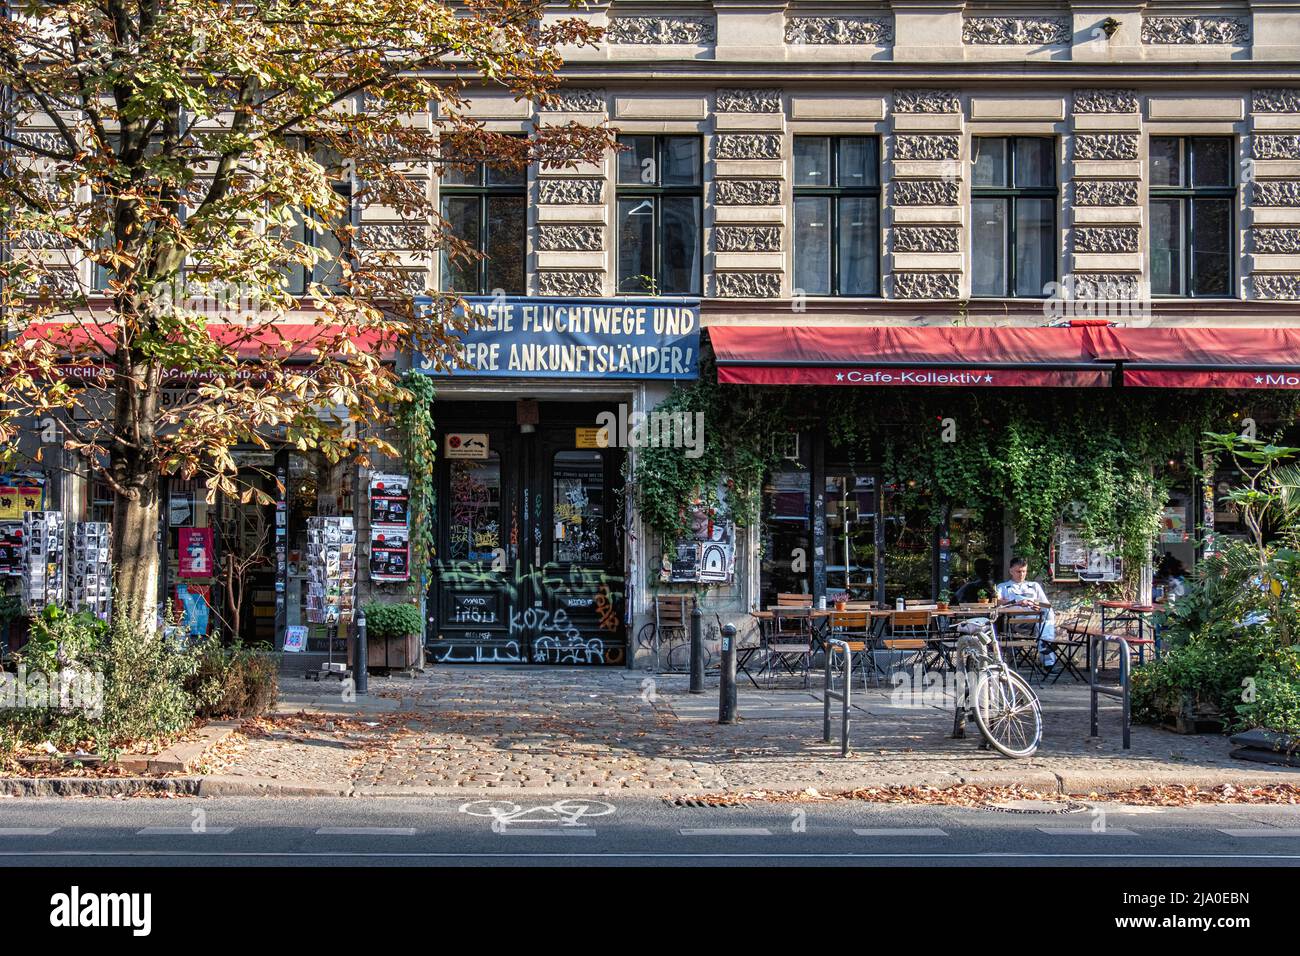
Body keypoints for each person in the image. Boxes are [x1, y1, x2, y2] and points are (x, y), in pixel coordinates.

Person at [996, 556, 1057, 668]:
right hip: (1014, 623)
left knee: (1047, 618)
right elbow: (998, 602)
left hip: (1034, 622)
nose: (1021, 574)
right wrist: (1017, 602)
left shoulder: (1034, 586)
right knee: (1044, 626)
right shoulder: (1003, 587)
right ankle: (1046, 647)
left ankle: (1047, 655)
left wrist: (1035, 605)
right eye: (1018, 571)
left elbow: (1045, 604)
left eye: (1024, 571)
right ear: (1011, 571)